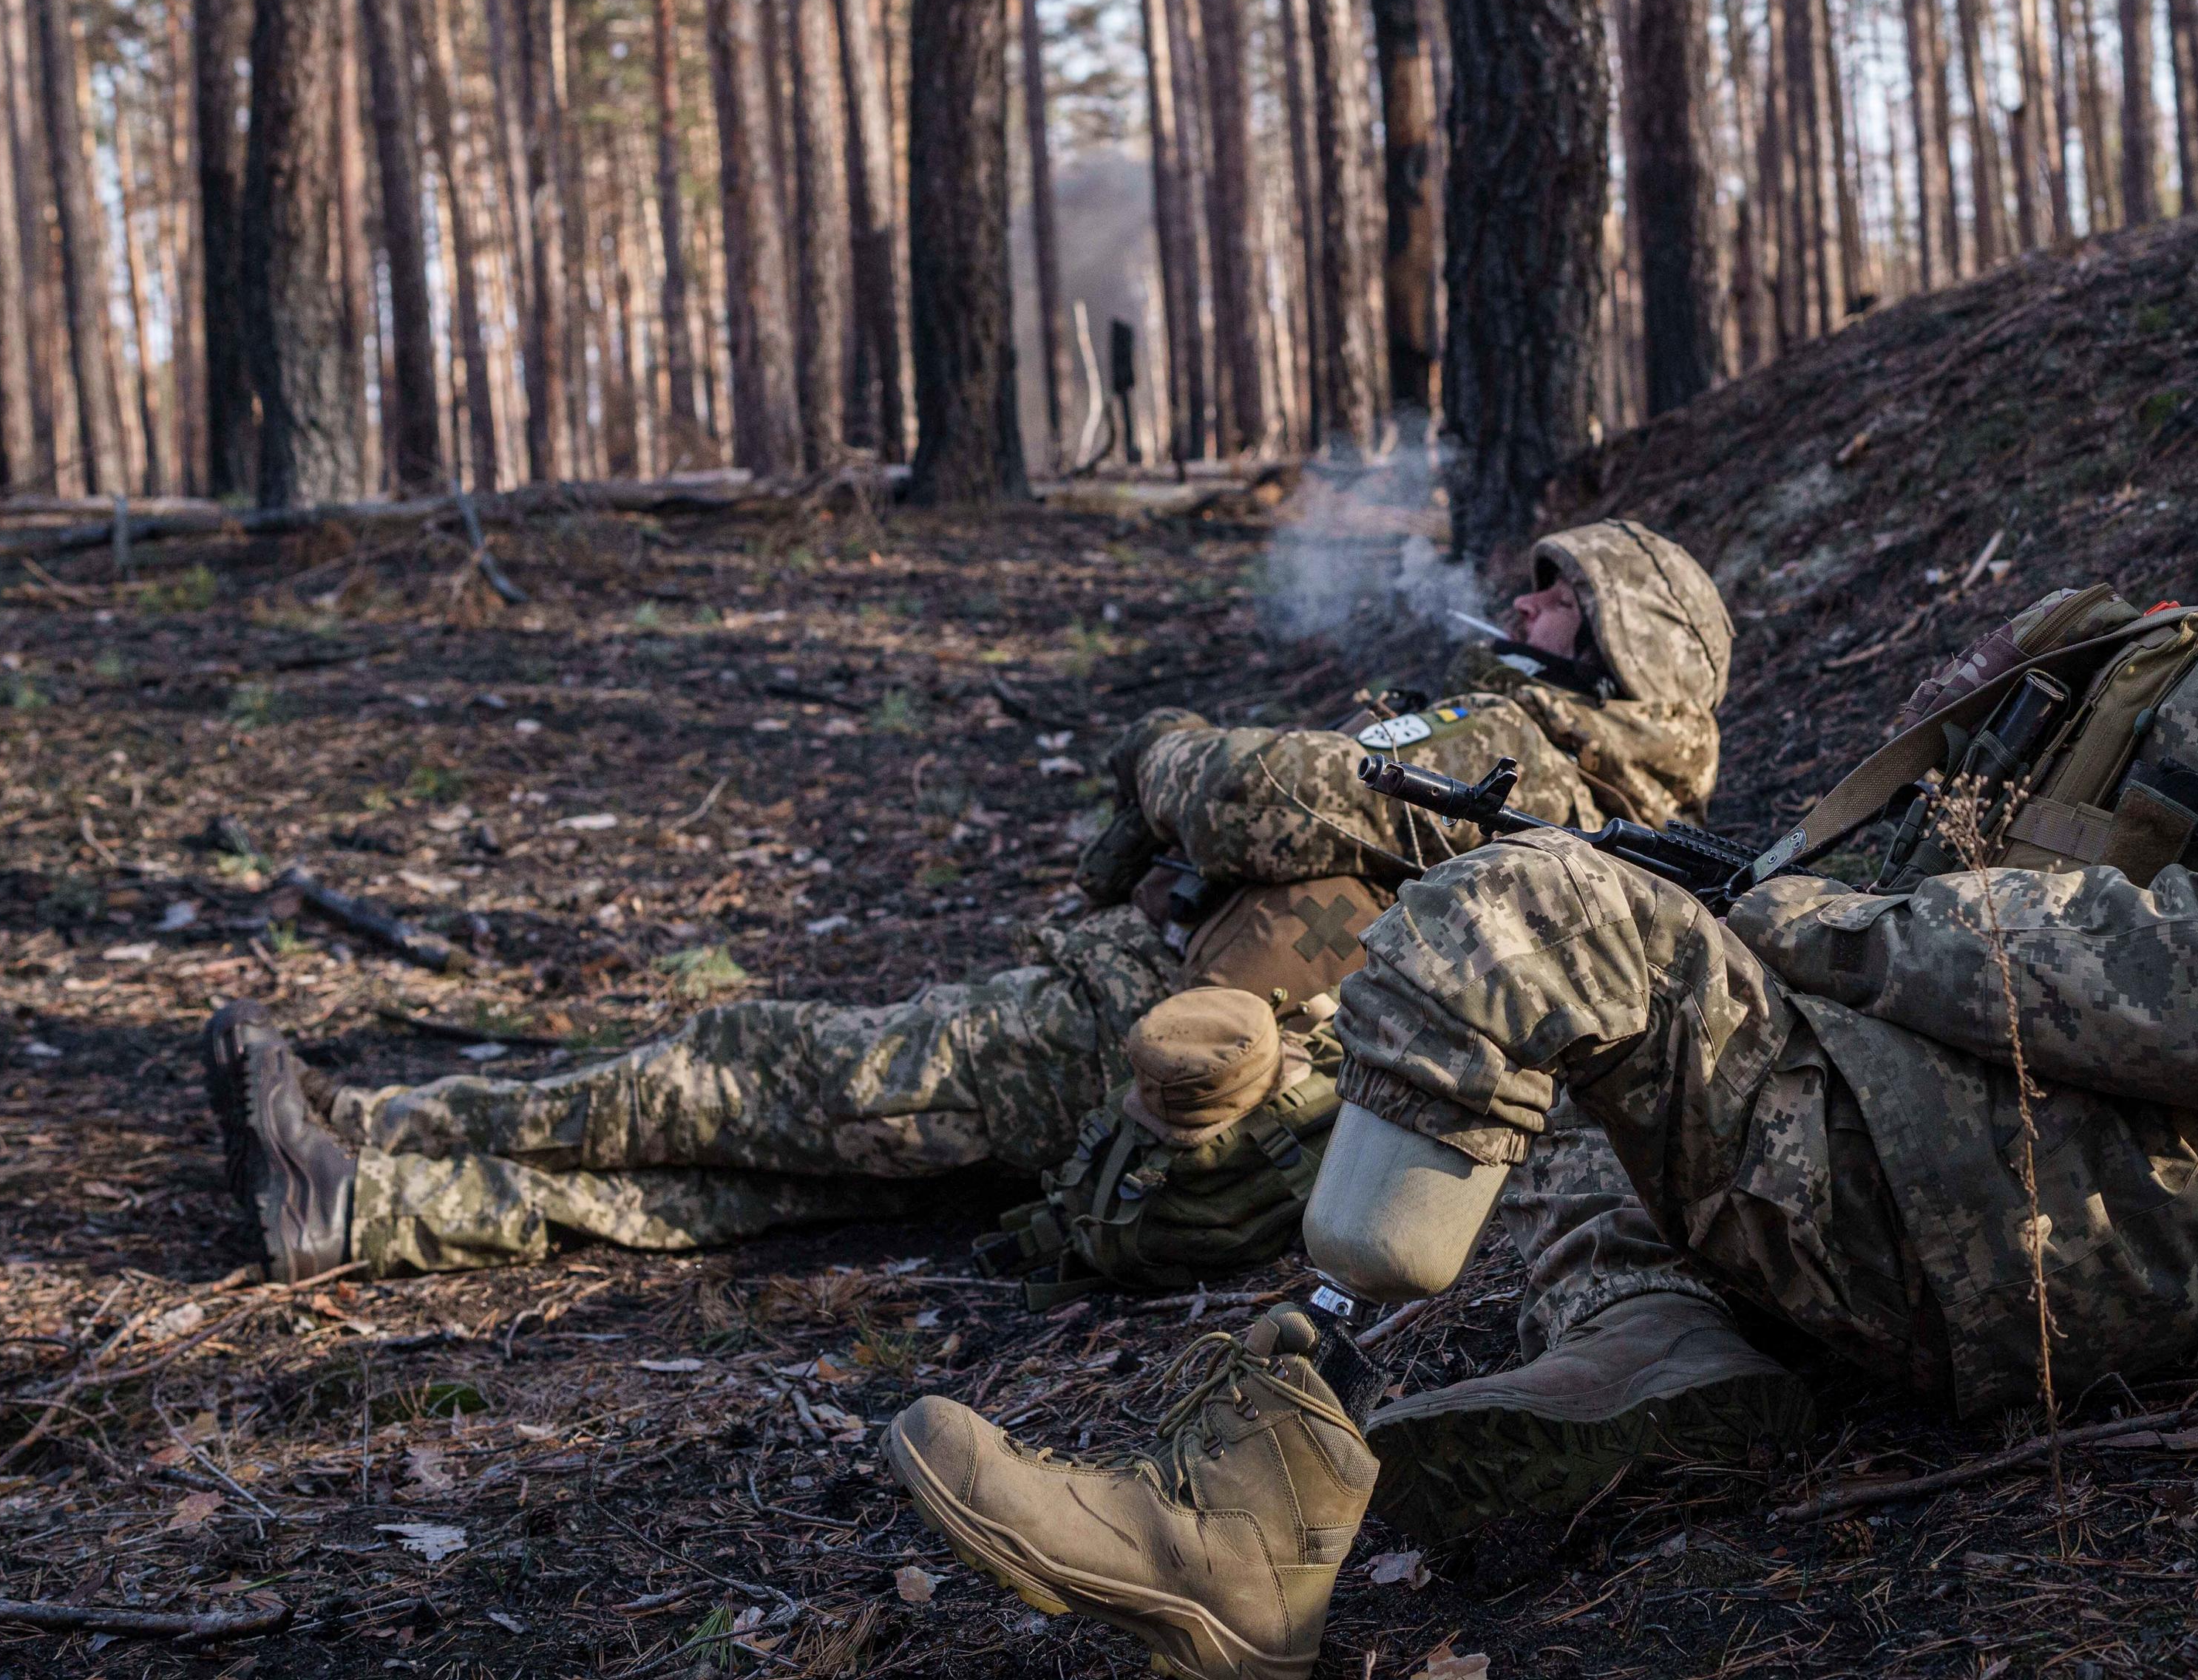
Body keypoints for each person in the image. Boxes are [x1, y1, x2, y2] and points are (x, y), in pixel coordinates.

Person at [881, 260, 2198, 1680]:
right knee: (1607, 956)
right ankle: (1665, 1346)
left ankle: (1249, 1527)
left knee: (1529, 917)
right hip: (2010, 1153)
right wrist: (1806, 905)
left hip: (2079, 1221)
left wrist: (1833, 934)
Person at [203, 520, 1738, 1284]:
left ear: (1619, 649)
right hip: (1188, 1070)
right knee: (779, 1182)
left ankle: (387, 1133)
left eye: (1558, 594)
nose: (1522, 601)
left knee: (747, 1069)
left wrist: (1164, 753)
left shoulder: (1516, 747)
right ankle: (358, 1190)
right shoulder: (1583, 788)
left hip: (1132, 1034)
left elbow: (1268, 797)